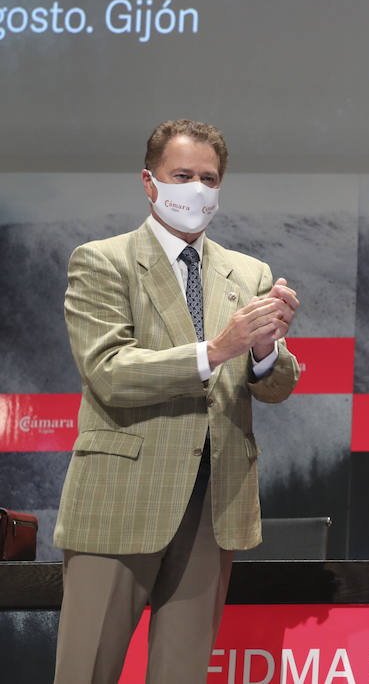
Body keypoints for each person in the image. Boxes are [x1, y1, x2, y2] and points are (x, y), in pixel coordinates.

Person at [51, 119, 301, 683]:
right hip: (119, 501)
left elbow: (276, 385)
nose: (196, 189)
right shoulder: (102, 260)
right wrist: (216, 350)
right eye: (182, 175)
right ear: (150, 182)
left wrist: (265, 350)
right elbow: (109, 373)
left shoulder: (249, 273)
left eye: (208, 179)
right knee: (85, 671)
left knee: (181, 674)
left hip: (214, 504)